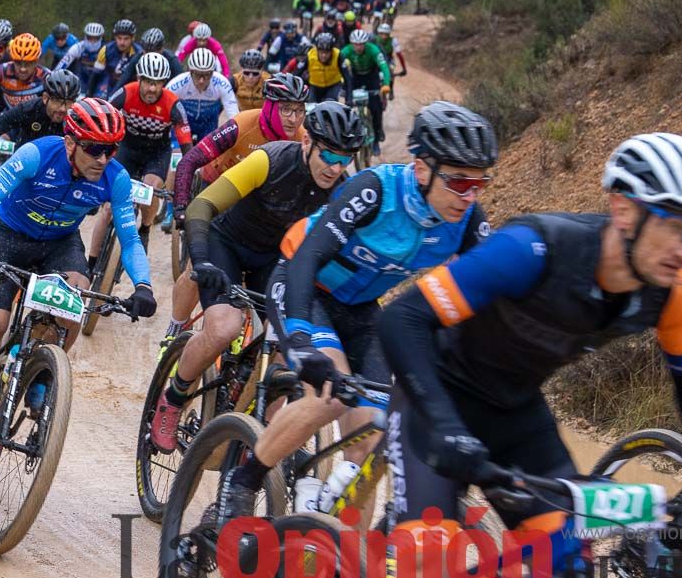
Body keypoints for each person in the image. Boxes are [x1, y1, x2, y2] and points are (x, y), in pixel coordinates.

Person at [374, 132, 682, 578]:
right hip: (436, 403)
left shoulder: (675, 294)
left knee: (572, 575)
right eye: (676, 227)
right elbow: (402, 318)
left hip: (516, 413)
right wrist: (446, 428)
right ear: (625, 211)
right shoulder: (535, 249)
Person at [212, 103, 496, 529]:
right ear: (421, 169)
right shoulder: (374, 190)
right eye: (458, 181)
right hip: (302, 285)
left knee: (370, 436)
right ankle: (242, 481)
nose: (468, 195)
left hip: (361, 309)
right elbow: (309, 256)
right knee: (330, 394)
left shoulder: (468, 219)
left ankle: (337, 569)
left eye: (479, 183)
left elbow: (487, 301)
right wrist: (304, 340)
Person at [0, 98, 158, 463]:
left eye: (111, 149)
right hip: (10, 236)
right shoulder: (38, 154)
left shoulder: (115, 178)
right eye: (95, 149)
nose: (103, 158)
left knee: (74, 306)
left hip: (60, 244)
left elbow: (130, 239)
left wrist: (143, 286)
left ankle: (40, 375)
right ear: (71, 143)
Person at [148, 103, 363, 452]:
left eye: (345, 159)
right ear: (307, 142)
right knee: (224, 327)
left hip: (277, 262)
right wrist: (201, 261)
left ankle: (258, 437)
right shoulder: (271, 159)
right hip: (227, 243)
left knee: (290, 348)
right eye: (329, 156)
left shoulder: (343, 190)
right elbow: (203, 206)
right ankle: (173, 398)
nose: (336, 168)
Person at [161, 73, 312, 345]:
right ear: (269, 107)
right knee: (197, 269)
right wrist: (181, 206)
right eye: (286, 109)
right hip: (216, 190)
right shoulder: (243, 124)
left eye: (300, 110)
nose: (293, 118)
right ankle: (174, 329)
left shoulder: (302, 140)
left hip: (257, 209)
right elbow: (190, 160)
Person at [91, 52, 193, 257]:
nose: (152, 88)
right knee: (109, 209)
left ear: (164, 83)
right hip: (128, 149)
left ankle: (145, 228)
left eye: (158, 83)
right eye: (148, 82)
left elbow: (187, 150)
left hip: (157, 153)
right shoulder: (126, 93)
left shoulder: (173, 104)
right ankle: (91, 261)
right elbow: (104, 118)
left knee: (151, 189)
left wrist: (187, 179)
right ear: (139, 79)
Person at [0, 70, 81, 192]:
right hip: (22, 167)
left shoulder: (77, 120)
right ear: (45, 98)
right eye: (57, 101)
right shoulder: (28, 109)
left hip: (55, 173)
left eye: (69, 103)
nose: (62, 109)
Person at [166, 47, 239, 142]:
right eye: (197, 74)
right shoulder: (177, 84)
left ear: (213, 72)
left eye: (206, 75)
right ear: (190, 71)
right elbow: (164, 112)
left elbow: (234, 116)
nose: (201, 80)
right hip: (183, 124)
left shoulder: (222, 84)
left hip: (208, 125)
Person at [341, 29, 391, 155]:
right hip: (355, 77)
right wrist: (341, 84)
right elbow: (337, 66)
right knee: (348, 104)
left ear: (366, 43)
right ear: (351, 43)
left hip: (371, 77)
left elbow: (384, 66)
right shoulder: (346, 51)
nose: (358, 47)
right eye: (355, 44)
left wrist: (386, 84)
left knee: (376, 107)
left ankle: (377, 138)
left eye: (361, 44)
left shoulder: (373, 49)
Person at [117, 27, 184, 90]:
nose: (150, 55)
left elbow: (181, 84)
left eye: (154, 52)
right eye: (146, 51)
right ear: (142, 50)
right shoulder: (138, 58)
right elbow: (123, 81)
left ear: (162, 49)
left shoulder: (172, 61)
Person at [89, 19, 141, 98]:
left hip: (131, 91)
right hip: (110, 88)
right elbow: (95, 75)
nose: (122, 42)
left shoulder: (139, 53)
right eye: (119, 38)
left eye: (126, 39)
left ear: (133, 38)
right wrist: (89, 96)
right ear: (115, 37)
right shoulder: (105, 50)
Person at [288, 31, 344, 103]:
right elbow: (297, 73)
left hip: (333, 85)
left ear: (332, 50)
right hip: (315, 86)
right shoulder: (310, 55)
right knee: (311, 107)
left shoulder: (338, 55)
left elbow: (347, 77)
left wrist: (349, 98)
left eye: (327, 52)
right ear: (316, 49)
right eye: (321, 51)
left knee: (330, 105)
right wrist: (291, 92)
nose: (324, 55)